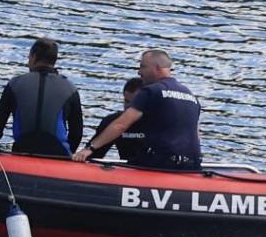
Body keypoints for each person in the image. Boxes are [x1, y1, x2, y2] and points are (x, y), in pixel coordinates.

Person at [73, 50, 201, 170]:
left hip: (160, 164)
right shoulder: (191, 95)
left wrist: (90, 148)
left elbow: (120, 125)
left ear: (157, 68)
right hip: (191, 165)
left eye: (143, 66)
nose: (139, 72)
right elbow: (195, 135)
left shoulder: (151, 91)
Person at [0, 37, 84, 158]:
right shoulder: (70, 89)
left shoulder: (15, 84)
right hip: (58, 155)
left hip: (22, 151)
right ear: (54, 60)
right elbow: (76, 134)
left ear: (33, 56)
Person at [88, 77, 144, 161]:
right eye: (127, 101)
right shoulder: (111, 121)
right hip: (126, 170)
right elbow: (93, 156)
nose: (128, 107)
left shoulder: (162, 122)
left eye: (135, 103)